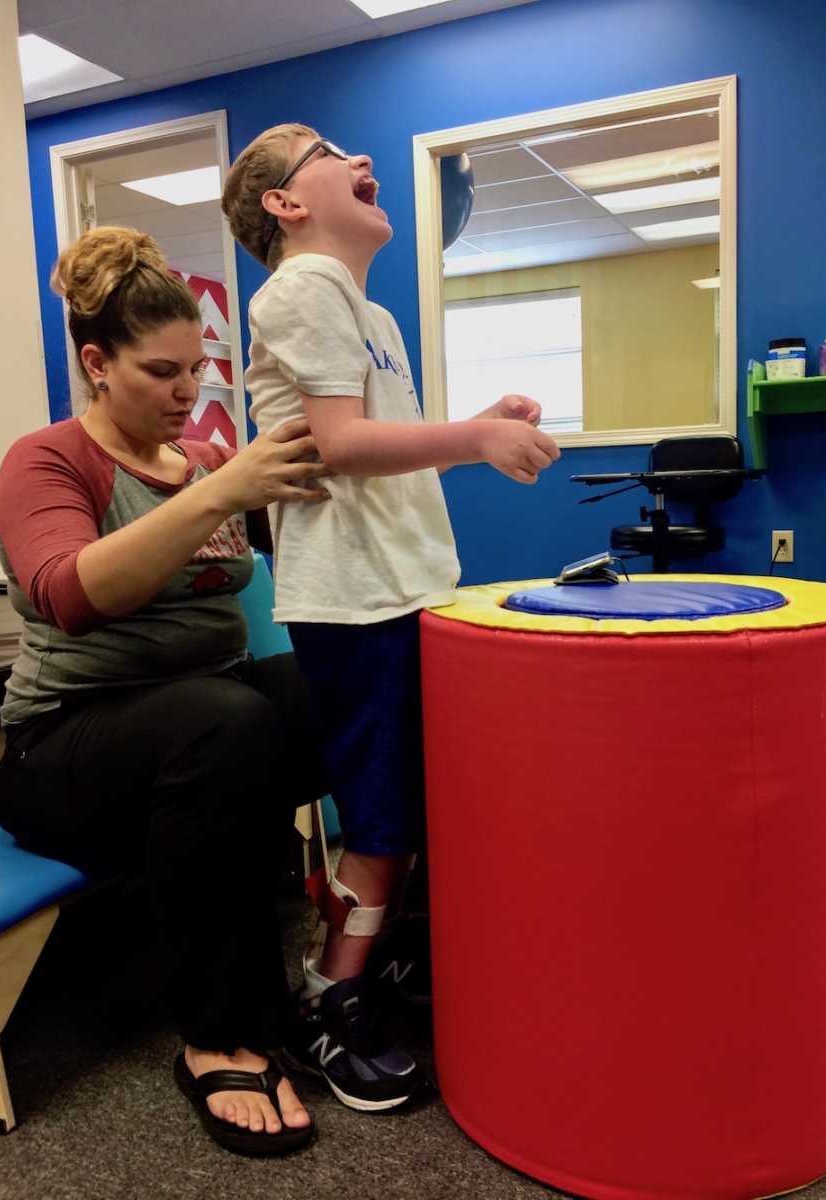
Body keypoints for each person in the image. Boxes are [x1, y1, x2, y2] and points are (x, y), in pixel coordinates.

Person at [221, 124, 560, 1112]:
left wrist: (474, 429)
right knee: (379, 816)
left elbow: (377, 443)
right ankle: (333, 996)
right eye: (327, 150)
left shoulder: (371, 313)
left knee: (412, 801)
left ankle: (387, 959)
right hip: (355, 601)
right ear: (286, 204)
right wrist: (475, 436)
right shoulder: (299, 290)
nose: (358, 157)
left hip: (410, 586)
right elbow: (337, 443)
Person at [0, 226, 332, 1157]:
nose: (190, 392)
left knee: (330, 690)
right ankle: (216, 1032)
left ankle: (352, 938)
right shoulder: (47, 460)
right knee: (222, 721)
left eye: (199, 368)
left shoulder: (201, 466)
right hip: (58, 751)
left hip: (197, 730)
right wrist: (220, 497)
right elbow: (66, 592)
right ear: (98, 364)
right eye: (163, 372)